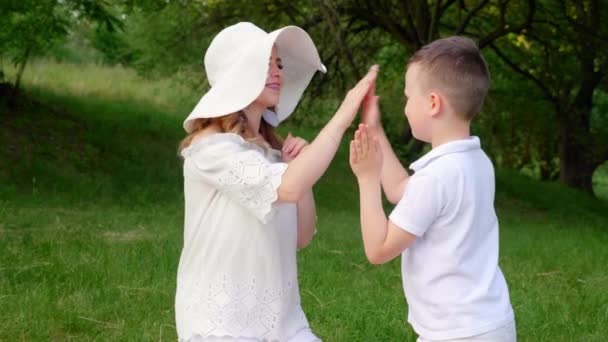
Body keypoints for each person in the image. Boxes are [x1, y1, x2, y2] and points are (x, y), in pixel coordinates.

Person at [175, 22, 378, 341]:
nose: (277, 73)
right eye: (265, 63)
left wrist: (297, 169)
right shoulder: (211, 148)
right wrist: (343, 117)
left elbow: (302, 235)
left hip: (282, 324)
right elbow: (287, 188)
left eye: (279, 64)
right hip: (222, 324)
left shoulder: (272, 154)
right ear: (238, 74)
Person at [349, 36, 516, 341]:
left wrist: (366, 179)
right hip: (489, 322)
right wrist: (376, 132)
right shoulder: (475, 161)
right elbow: (400, 189)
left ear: (433, 103)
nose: (406, 107)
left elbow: (378, 249)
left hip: (456, 332)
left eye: (408, 97)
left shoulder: (436, 178)